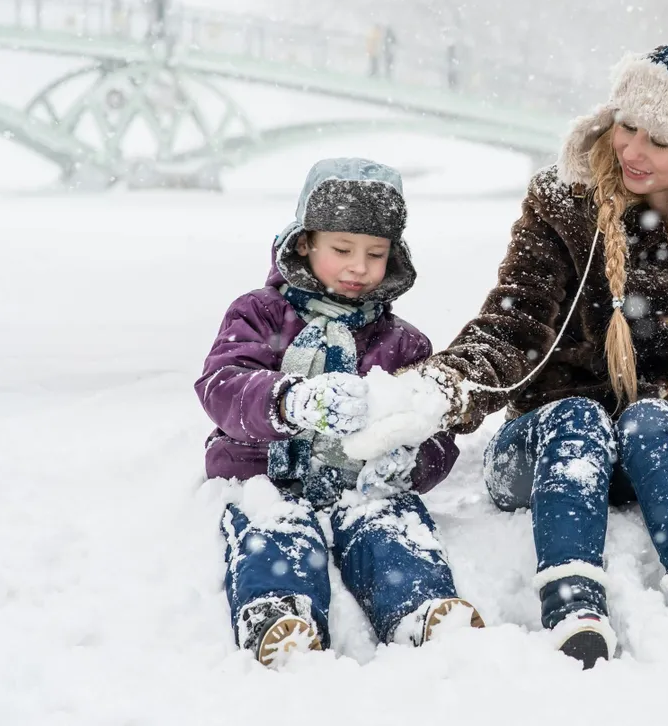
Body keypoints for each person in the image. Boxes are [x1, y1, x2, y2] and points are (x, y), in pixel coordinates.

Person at [360, 45, 668, 668]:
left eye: (658, 140)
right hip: (546, 448)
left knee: (655, 419)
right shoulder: (562, 203)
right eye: (627, 125)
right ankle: (573, 606)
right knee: (578, 418)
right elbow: (512, 325)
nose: (631, 150)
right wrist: (440, 389)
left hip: (663, 452)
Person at [196, 158, 482, 667]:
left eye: (375, 253)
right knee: (275, 528)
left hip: (360, 485)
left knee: (391, 526)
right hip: (264, 473)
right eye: (342, 250)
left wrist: (411, 461)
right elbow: (223, 384)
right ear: (305, 242)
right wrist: (289, 400)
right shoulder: (259, 314)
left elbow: (435, 431)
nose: (359, 267)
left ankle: (420, 607)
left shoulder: (403, 343)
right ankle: (279, 612)